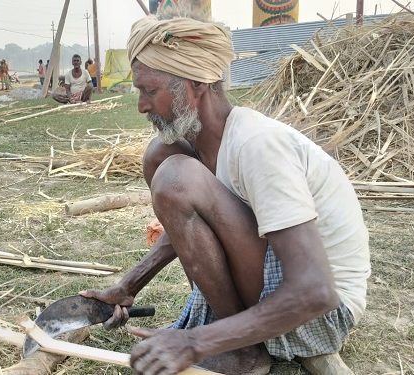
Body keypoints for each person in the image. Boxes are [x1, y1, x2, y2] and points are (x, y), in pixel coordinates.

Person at [80, 14, 369, 375]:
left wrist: (197, 341)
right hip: (279, 289)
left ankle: (244, 352)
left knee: (174, 177)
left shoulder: (256, 145)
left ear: (196, 84)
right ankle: (236, 336)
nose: (141, 106)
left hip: (321, 315)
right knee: (161, 157)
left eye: (150, 91)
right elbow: (196, 224)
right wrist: (128, 285)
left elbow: (315, 291)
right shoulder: (202, 145)